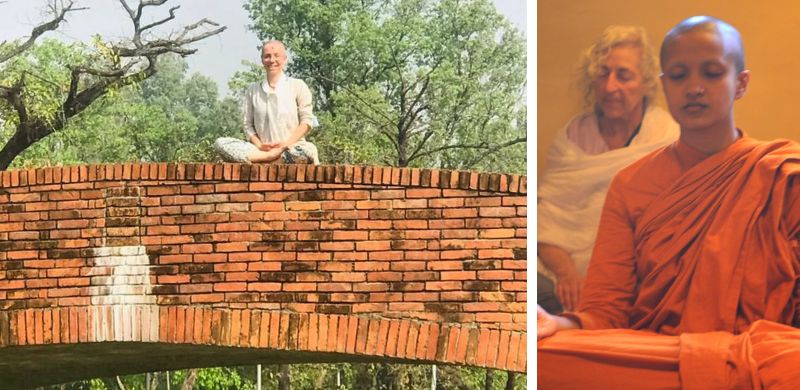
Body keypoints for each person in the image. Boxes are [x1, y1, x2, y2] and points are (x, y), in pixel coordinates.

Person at [538, 16, 800, 389]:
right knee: (544, 358)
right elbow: (605, 312)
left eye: (711, 73)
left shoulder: (783, 174)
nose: (694, 88)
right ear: (663, 85)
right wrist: (557, 323)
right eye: (678, 76)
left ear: (740, 83)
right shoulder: (630, 185)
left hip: (758, 352)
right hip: (656, 354)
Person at [538, 25, 678, 312]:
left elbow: (671, 229)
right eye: (603, 73)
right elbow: (548, 225)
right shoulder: (572, 137)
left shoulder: (667, 137)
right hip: (563, 276)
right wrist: (567, 275)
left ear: (646, 83)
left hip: (637, 279)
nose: (610, 86)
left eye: (623, 75)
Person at [215, 40, 320, 164]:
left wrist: (285, 145)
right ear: (262, 60)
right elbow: (247, 125)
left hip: (291, 148)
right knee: (221, 143)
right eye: (267, 56)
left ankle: (275, 159)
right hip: (262, 151)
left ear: (285, 59)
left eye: (276, 55)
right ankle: (269, 159)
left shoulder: (297, 86)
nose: (272, 60)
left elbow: (307, 122)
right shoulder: (252, 90)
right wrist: (260, 146)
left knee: (307, 152)